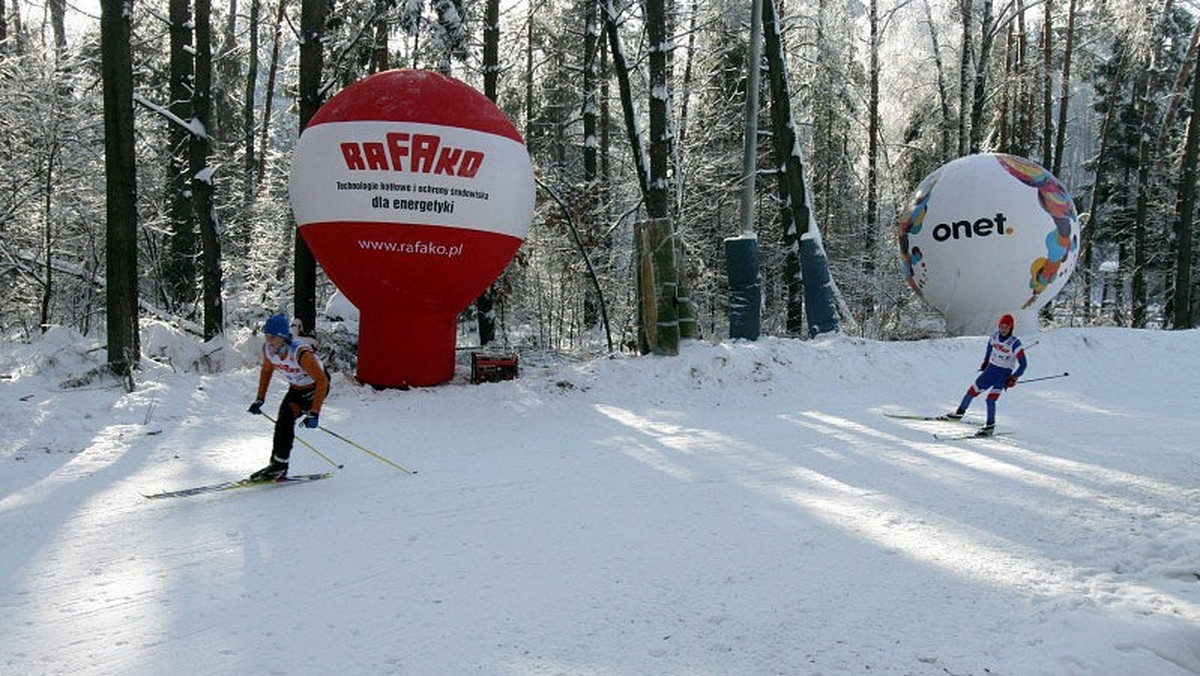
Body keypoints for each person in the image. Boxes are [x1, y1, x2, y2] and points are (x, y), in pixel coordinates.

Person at [246, 313, 329, 480]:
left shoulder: (300, 353)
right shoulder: (270, 351)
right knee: (283, 421)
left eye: (273, 337)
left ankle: (280, 465)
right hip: (296, 389)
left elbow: (322, 381)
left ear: (283, 337)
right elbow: (267, 371)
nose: (269, 341)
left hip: (315, 388)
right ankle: (277, 465)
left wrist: (315, 412)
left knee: (286, 418)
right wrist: (260, 399)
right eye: (266, 336)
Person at [940, 313, 1027, 436]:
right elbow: (989, 347)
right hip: (991, 370)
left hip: (1003, 373)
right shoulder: (995, 337)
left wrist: (1013, 377)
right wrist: (986, 361)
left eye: (1006, 327)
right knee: (971, 391)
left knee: (990, 399)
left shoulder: (1014, 343)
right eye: (1001, 326)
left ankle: (990, 426)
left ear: (1011, 328)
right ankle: (958, 413)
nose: (1003, 329)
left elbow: (1023, 364)